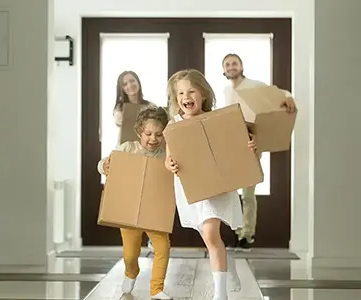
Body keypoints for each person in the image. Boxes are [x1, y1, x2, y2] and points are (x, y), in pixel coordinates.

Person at [164, 69, 258, 300]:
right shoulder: (173, 126)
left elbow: (239, 145)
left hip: (217, 187)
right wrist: (171, 165)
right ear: (176, 99)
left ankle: (220, 294)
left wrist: (250, 146)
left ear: (203, 94)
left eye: (191, 91)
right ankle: (229, 263)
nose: (186, 97)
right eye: (181, 93)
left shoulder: (217, 120)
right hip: (192, 188)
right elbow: (168, 159)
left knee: (210, 233)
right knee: (208, 236)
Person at [222, 53, 297, 251]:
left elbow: (281, 93)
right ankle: (237, 233)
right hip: (231, 144)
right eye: (227, 64)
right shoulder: (225, 91)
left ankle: (247, 236)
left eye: (234, 63)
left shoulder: (254, 85)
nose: (231, 67)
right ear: (224, 69)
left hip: (251, 143)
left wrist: (288, 98)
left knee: (247, 192)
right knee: (231, 193)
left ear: (241, 66)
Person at [98, 105, 172, 299]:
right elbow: (104, 164)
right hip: (129, 211)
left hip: (155, 210)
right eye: (148, 133)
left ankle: (157, 289)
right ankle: (131, 272)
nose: (153, 139)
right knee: (130, 254)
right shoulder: (128, 148)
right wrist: (105, 165)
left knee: (162, 247)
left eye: (159, 134)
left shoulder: (166, 155)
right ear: (139, 130)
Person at [112, 70, 154, 250]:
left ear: (138, 82)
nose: (130, 85)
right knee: (132, 198)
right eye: (125, 83)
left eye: (132, 81)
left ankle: (152, 234)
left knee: (150, 197)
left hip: (148, 154)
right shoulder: (120, 109)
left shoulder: (150, 106)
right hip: (129, 154)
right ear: (121, 88)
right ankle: (132, 241)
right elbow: (122, 129)